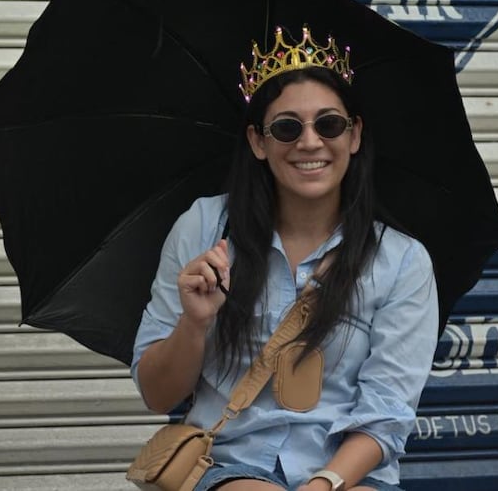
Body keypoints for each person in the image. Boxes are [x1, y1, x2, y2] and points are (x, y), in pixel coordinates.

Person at [131, 26, 438, 491]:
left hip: (346, 475)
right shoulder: (204, 228)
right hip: (226, 464)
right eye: (287, 127)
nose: (310, 142)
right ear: (259, 142)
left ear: (354, 135)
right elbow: (157, 395)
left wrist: (323, 484)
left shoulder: (401, 260)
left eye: (329, 124)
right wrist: (194, 322)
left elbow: (386, 413)